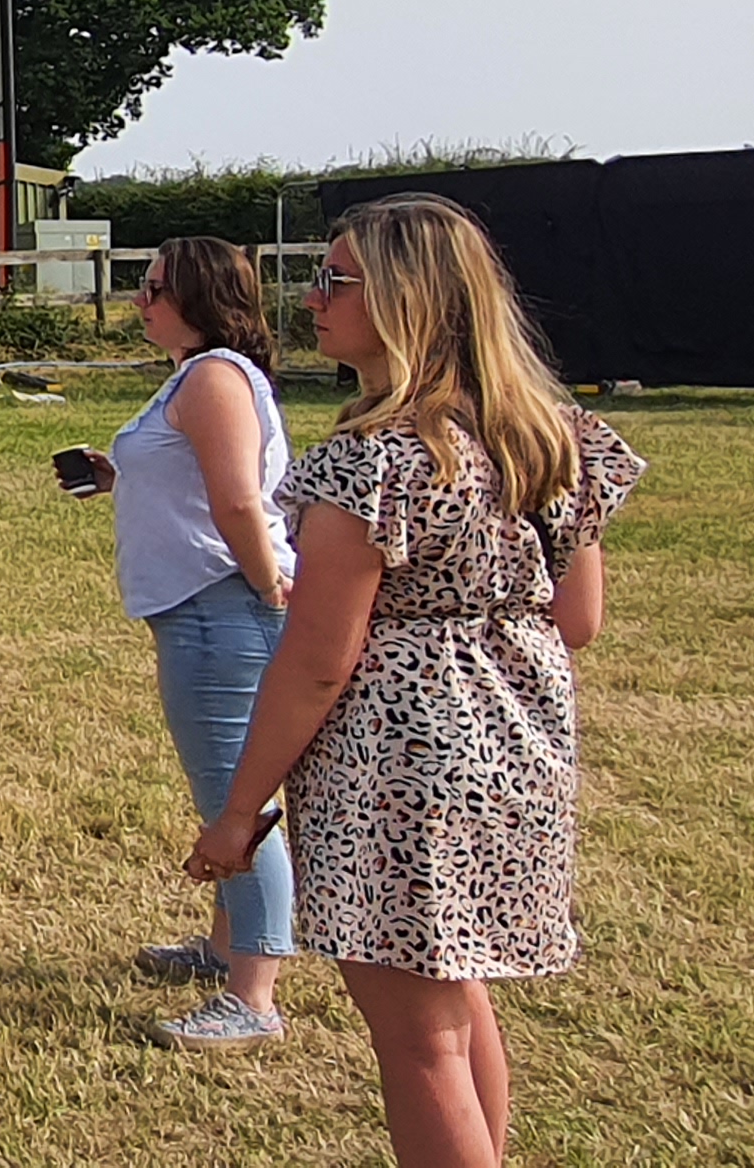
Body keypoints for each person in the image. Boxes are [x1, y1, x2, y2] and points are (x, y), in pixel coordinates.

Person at [189, 195, 640, 1166]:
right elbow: (579, 622)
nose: (310, 298)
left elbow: (317, 660)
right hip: (521, 752)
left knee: (417, 1039)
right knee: (456, 1002)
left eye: (335, 280)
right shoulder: (552, 435)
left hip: (397, 771)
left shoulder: (372, 461)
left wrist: (239, 810)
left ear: (408, 300)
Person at [68, 237, 299, 1050]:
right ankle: (226, 947)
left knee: (237, 801)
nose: (141, 299)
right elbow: (202, 485)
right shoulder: (197, 374)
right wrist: (115, 477)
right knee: (228, 789)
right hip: (204, 607)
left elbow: (238, 502)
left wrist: (269, 584)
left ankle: (255, 993)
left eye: (155, 287)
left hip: (220, 609)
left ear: (199, 296)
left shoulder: (214, 378)